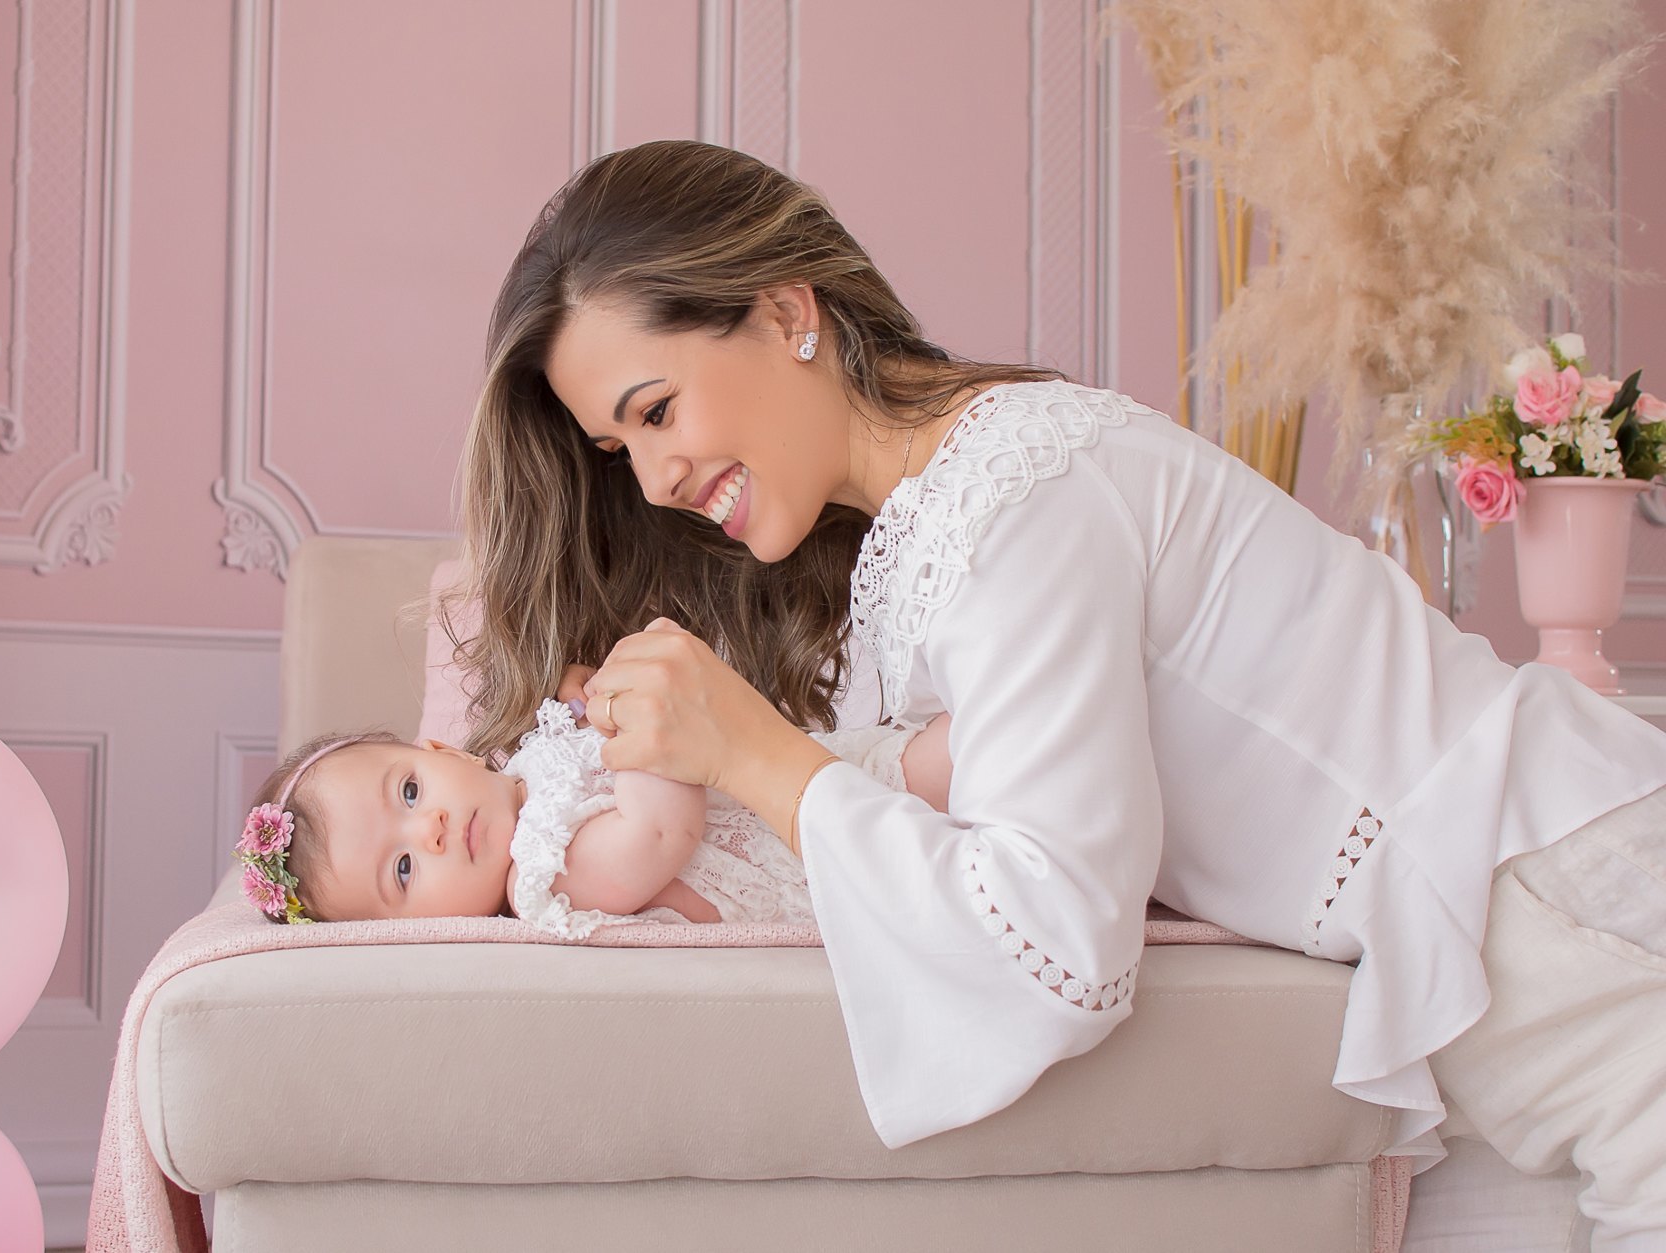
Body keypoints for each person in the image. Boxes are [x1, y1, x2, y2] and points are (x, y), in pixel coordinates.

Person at [453, 137, 1666, 1248]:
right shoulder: (937, 523)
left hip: (1546, 890)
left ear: (785, 311)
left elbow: (1059, 946)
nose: (658, 477)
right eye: (621, 452)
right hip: (1488, 921)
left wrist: (760, 757)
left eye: (656, 412)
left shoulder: (1014, 500)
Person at [234, 697, 951, 934]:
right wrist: (632, 707)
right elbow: (662, 829)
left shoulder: (530, 767)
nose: (433, 830)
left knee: (945, 742)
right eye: (404, 867)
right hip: (814, 846)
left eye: (411, 793)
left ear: (441, 748)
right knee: (953, 770)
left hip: (801, 770)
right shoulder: (543, 878)